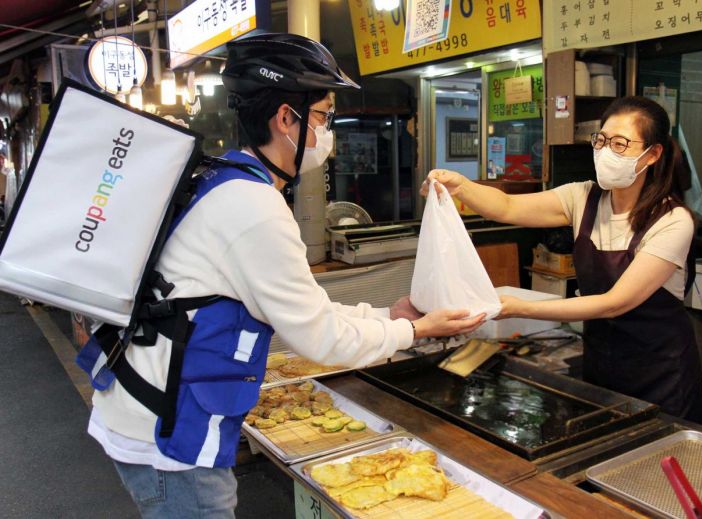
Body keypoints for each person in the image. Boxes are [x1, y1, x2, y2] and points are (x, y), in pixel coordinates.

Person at [82, 33, 485, 518]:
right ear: (285, 118)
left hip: (147, 407)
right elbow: (319, 337)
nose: (328, 131)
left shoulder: (226, 175)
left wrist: (387, 314)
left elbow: (301, 307)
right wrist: (414, 330)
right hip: (169, 431)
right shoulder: (253, 206)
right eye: (323, 115)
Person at [423, 96, 702, 423]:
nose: (605, 151)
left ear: (652, 154)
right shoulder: (582, 197)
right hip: (602, 366)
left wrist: (518, 306)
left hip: (662, 377)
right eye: (601, 141)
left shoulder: (672, 220)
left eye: (620, 144)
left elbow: (615, 302)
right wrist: (461, 186)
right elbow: (507, 207)